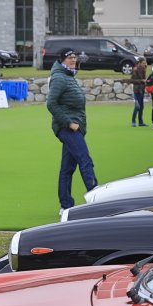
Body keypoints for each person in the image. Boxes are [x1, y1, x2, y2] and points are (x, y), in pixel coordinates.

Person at [48, 48, 97, 210]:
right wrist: (69, 123)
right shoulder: (59, 78)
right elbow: (51, 104)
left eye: (75, 57)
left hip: (76, 127)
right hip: (68, 128)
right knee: (85, 160)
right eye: (70, 57)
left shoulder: (68, 76)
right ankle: (96, 200)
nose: (73, 60)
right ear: (62, 60)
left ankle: (66, 206)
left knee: (67, 168)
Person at [129, 58, 147, 127]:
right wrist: (141, 81)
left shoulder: (143, 69)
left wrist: (145, 81)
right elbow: (131, 80)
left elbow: (144, 79)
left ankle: (140, 122)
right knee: (137, 106)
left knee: (141, 106)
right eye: (143, 63)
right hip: (136, 90)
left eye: (145, 63)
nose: (144, 64)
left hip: (142, 90)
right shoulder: (135, 70)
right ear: (139, 63)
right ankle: (133, 121)